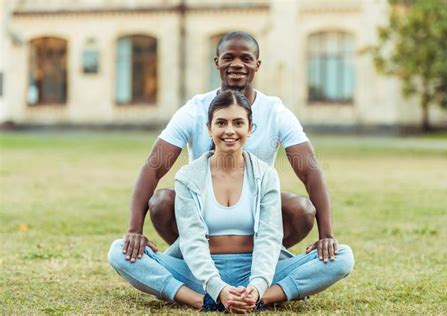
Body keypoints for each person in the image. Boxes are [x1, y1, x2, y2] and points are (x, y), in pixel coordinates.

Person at [108, 90, 354, 312]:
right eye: (221, 123)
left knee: (342, 257)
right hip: (199, 273)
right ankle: (200, 300)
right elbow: (192, 241)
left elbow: (269, 238)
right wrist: (217, 288)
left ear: (250, 129)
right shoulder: (188, 177)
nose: (229, 131)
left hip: (255, 268)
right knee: (119, 252)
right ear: (208, 128)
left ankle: (263, 299)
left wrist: (257, 288)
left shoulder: (266, 175)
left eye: (238, 123)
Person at [122, 30, 341, 269]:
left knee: (302, 210)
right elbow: (153, 168)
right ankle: (196, 262)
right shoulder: (195, 109)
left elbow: (310, 172)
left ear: (257, 64)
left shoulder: (275, 112)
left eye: (246, 58)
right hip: (201, 211)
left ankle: (256, 260)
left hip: (255, 214)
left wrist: (326, 235)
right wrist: (134, 230)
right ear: (217, 62)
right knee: (161, 202)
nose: (237, 64)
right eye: (228, 57)